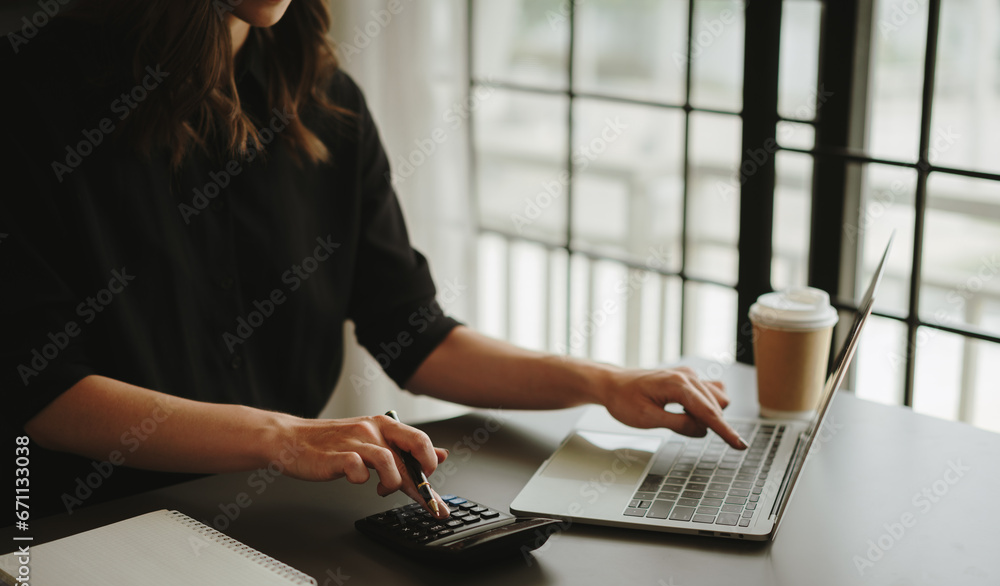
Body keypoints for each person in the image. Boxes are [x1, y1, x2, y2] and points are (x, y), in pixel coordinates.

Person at [1, 0, 746, 524]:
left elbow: (414, 334)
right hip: (79, 533)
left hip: (270, 522)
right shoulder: (31, 88)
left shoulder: (327, 103)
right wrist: (283, 437)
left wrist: (603, 383)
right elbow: (34, 385)